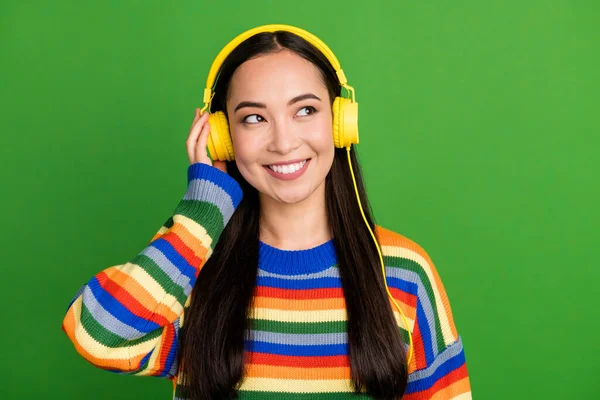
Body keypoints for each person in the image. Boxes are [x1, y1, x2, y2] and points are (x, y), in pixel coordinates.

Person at [61, 25, 472, 400]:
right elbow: (100, 336)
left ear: (340, 122)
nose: (283, 141)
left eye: (305, 110)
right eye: (254, 118)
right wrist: (204, 207)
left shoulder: (403, 272)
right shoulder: (186, 268)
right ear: (223, 138)